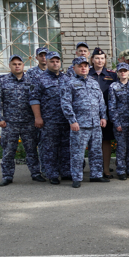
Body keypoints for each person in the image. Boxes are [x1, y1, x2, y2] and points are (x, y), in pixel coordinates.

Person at [0, 55, 44, 185]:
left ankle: (35, 173)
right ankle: (7, 176)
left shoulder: (32, 80)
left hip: (29, 122)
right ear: (10, 66)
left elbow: (38, 100)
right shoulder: (2, 80)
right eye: (14, 64)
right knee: (9, 151)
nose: (17, 66)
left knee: (32, 150)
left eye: (19, 64)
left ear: (23, 65)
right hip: (10, 123)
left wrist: (38, 117)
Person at [61, 57, 109, 188]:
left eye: (85, 66)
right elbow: (66, 104)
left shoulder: (93, 83)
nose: (83, 68)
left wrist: (103, 117)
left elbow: (101, 102)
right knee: (77, 152)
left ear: (89, 68)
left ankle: (96, 175)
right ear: (74, 68)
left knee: (96, 151)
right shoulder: (69, 83)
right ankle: (76, 177)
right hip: (79, 125)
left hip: (95, 124)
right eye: (80, 66)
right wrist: (72, 121)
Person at [29, 51, 71, 184]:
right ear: (46, 62)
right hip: (49, 120)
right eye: (52, 61)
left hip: (65, 120)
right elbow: (34, 99)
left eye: (57, 61)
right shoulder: (39, 79)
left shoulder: (66, 78)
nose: (55, 63)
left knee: (66, 147)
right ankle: (51, 173)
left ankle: (65, 172)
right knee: (49, 148)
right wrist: (38, 117)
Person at [87, 48, 117, 179]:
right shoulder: (86, 73)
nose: (100, 60)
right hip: (90, 113)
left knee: (105, 141)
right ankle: (94, 170)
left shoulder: (112, 75)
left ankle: (106, 169)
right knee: (91, 142)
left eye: (102, 58)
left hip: (107, 113)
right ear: (92, 59)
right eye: (97, 58)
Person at [108, 62, 129, 180]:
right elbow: (112, 106)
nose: (123, 73)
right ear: (118, 73)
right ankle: (121, 170)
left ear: (128, 72)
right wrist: (116, 122)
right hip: (120, 122)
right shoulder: (114, 87)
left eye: (125, 71)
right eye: (120, 71)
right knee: (121, 148)